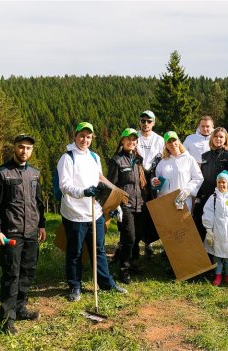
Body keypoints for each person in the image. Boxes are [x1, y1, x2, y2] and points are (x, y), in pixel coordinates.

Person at [0, 133, 47, 335]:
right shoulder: (1, 173)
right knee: (11, 275)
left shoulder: (35, 174)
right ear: (14, 148)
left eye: (28, 148)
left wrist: (42, 225)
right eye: (21, 147)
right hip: (11, 233)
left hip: (31, 233)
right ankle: (6, 320)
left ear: (32, 150)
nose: (24, 151)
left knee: (28, 272)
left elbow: (38, 203)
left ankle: (20, 309)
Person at [57, 122, 127, 303]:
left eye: (88, 137)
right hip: (74, 213)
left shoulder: (94, 157)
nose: (84, 140)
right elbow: (64, 185)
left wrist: (116, 198)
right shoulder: (67, 158)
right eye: (82, 136)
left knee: (99, 249)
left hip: (94, 211)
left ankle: (106, 283)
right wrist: (83, 192)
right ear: (75, 136)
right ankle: (75, 286)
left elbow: (100, 178)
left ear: (91, 138)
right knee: (75, 251)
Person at [106, 128, 147, 284]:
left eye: (134, 140)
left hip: (140, 204)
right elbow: (112, 185)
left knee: (136, 237)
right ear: (122, 141)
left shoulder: (139, 160)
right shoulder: (116, 160)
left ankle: (133, 263)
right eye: (128, 139)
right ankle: (124, 269)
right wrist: (115, 206)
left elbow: (142, 182)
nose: (131, 142)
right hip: (125, 205)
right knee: (128, 237)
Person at [193, 127, 228, 241]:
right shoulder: (205, 156)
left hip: (221, 197)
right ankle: (203, 255)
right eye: (216, 136)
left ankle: (217, 256)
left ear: (225, 139)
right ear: (212, 138)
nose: (218, 139)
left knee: (218, 227)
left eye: (221, 137)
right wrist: (198, 197)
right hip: (205, 196)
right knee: (202, 224)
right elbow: (201, 177)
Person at [202, 171, 228, 287]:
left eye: (223, 182)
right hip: (217, 232)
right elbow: (207, 213)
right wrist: (209, 230)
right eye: (219, 182)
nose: (221, 185)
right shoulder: (213, 198)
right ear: (216, 183)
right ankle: (218, 275)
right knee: (217, 256)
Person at [135, 110, 164, 257]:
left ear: (153, 123)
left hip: (152, 176)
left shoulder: (159, 139)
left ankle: (149, 242)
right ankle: (131, 241)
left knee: (152, 209)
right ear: (139, 122)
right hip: (136, 175)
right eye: (143, 120)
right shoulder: (135, 136)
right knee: (136, 207)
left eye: (149, 121)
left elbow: (162, 157)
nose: (145, 124)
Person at [151, 131, 204, 213]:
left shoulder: (189, 159)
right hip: (166, 202)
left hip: (183, 201)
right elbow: (157, 180)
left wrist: (187, 190)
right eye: (169, 142)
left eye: (174, 140)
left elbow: (198, 178)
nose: (172, 144)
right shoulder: (162, 162)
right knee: (168, 225)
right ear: (166, 145)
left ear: (179, 141)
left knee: (184, 225)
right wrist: (155, 182)